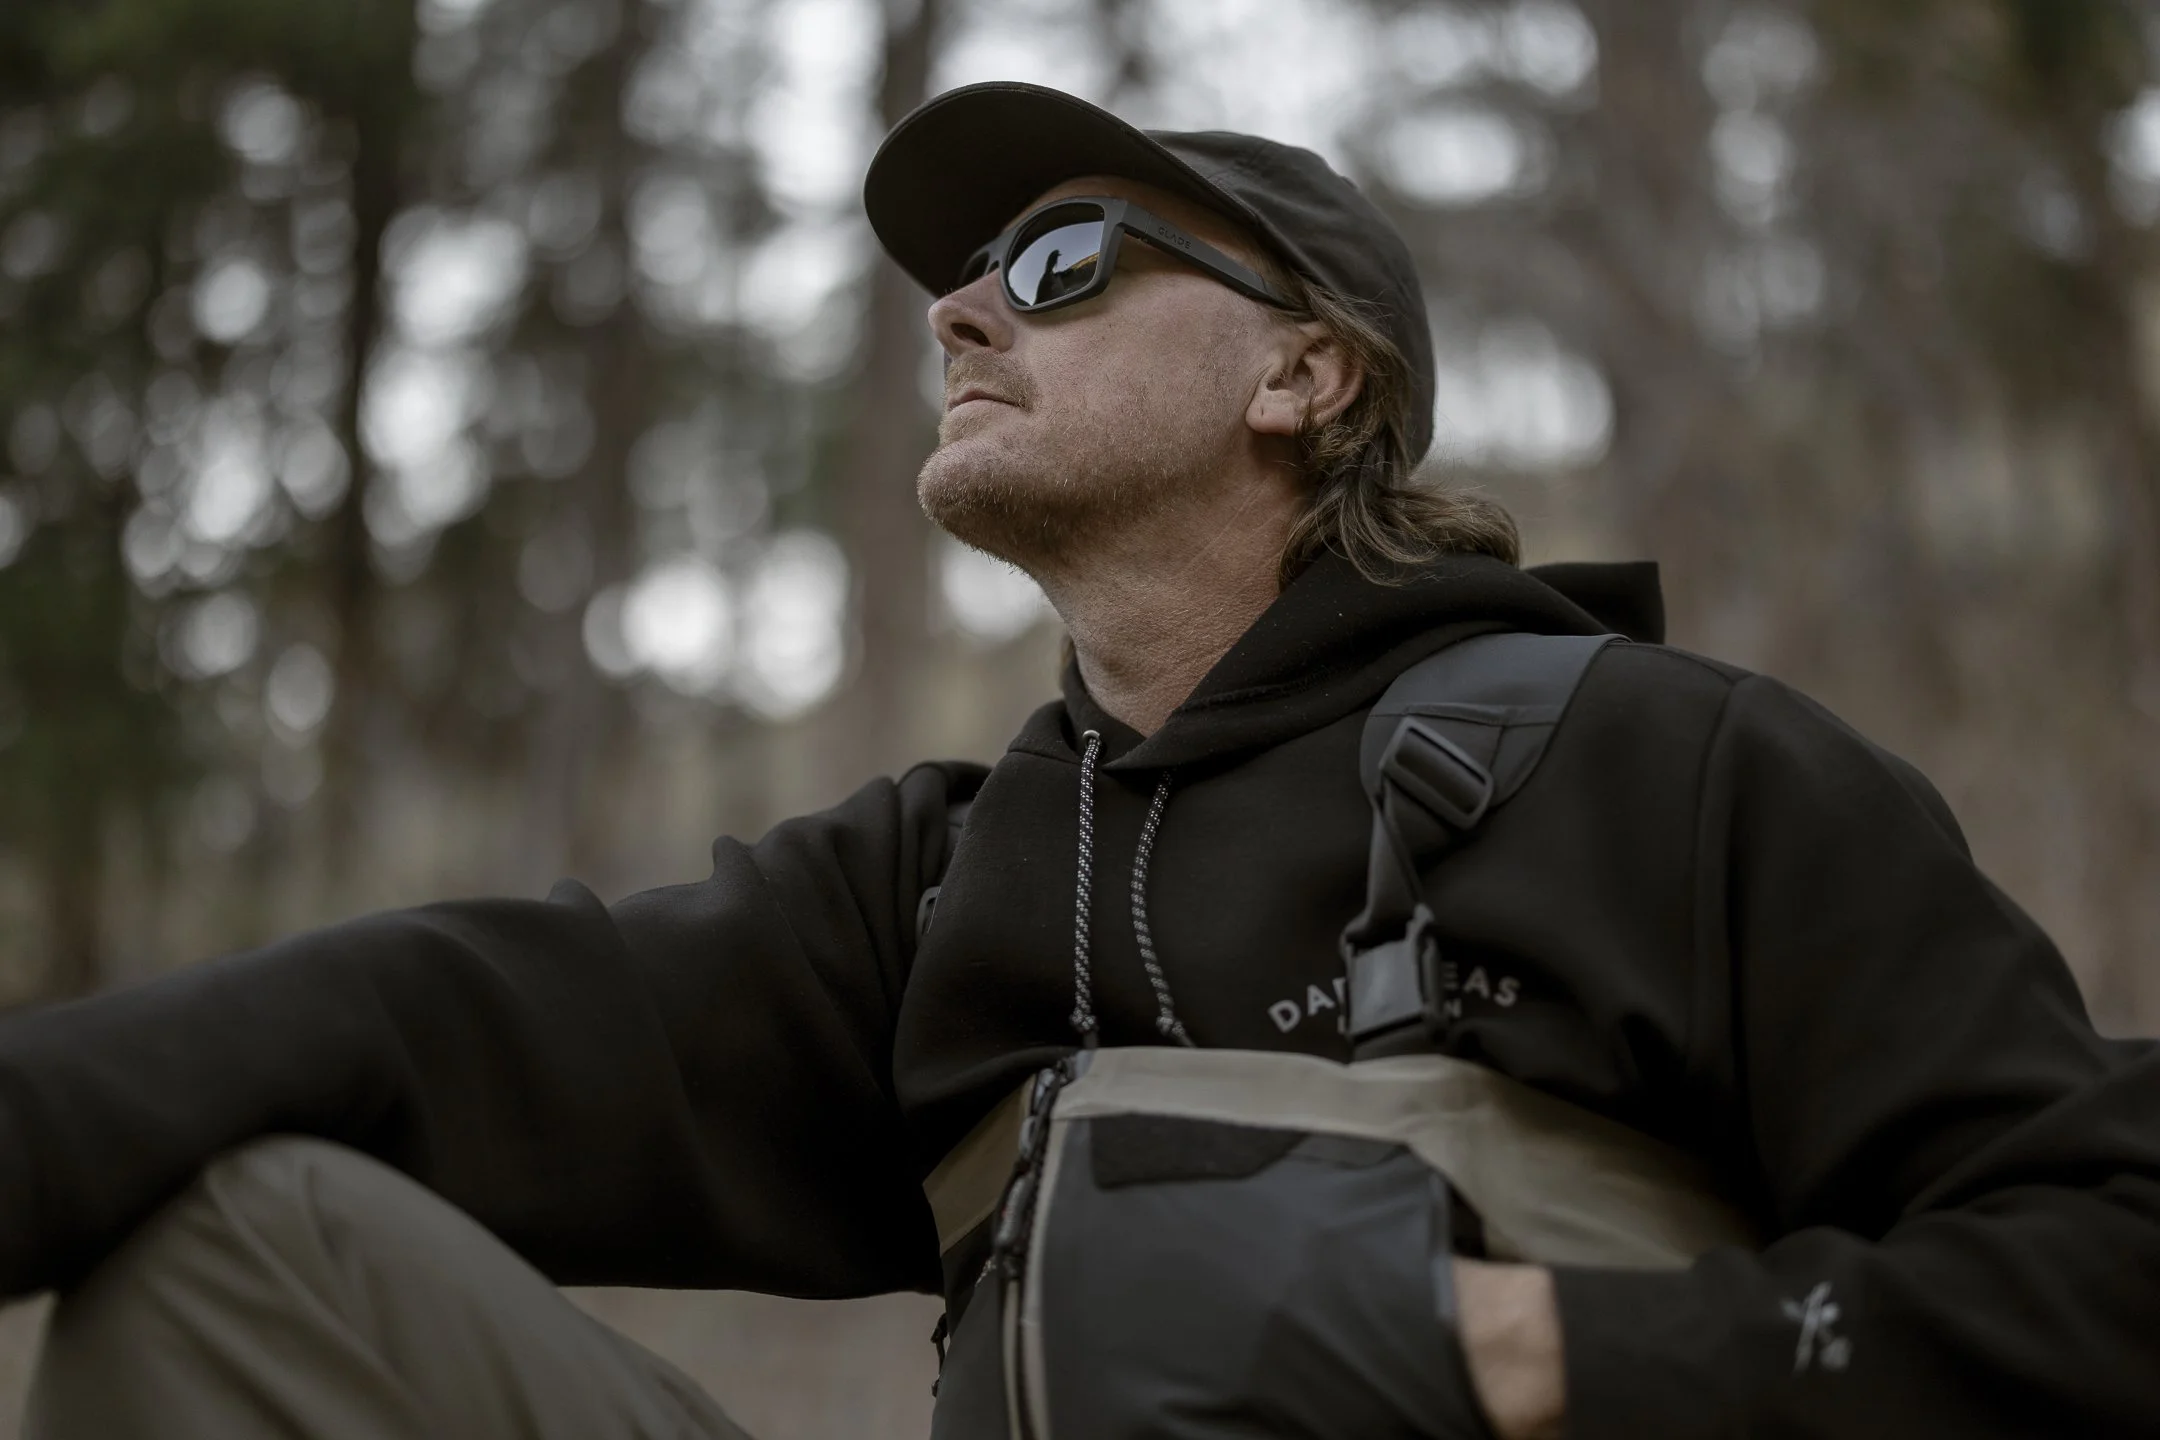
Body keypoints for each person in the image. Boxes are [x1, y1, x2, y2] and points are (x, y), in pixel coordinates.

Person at [4, 78, 2158, 1440]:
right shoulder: (935, 893)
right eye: (960, 280)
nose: (962, 314)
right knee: (238, 1253)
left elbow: (2103, 1259)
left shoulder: (1669, 774)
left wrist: (1521, 1359)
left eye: (1057, 263)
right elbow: (413, 1025)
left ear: (1306, 373)